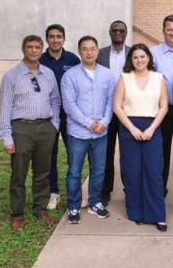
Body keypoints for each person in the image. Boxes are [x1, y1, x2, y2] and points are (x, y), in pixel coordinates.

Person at [0, 35, 60, 230]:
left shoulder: (48, 73)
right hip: (21, 129)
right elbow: (5, 107)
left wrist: (54, 124)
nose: (33, 50)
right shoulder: (11, 76)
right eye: (30, 47)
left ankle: (40, 209)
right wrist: (6, 136)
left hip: (45, 128)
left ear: (42, 49)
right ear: (23, 49)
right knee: (19, 174)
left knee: (43, 172)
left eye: (37, 47)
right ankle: (17, 213)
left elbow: (55, 100)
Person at [61, 36, 116, 224]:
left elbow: (111, 100)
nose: (89, 52)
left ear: (97, 50)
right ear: (79, 51)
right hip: (78, 133)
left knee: (99, 171)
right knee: (75, 171)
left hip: (101, 132)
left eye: (92, 48)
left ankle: (95, 202)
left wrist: (105, 121)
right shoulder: (70, 76)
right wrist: (88, 123)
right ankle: (74, 206)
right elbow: (69, 105)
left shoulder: (107, 74)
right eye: (85, 49)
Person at [113, 44, 169, 231]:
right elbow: (117, 107)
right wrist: (132, 129)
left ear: (149, 58)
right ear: (131, 60)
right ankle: (136, 211)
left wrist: (152, 128)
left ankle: (157, 215)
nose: (139, 60)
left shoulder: (158, 78)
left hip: (152, 128)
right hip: (130, 128)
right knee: (132, 172)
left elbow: (164, 107)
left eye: (142, 57)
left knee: (154, 171)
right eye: (135, 57)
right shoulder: (124, 78)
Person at [40, 24, 80, 210]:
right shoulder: (40, 60)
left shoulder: (72, 59)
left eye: (59, 36)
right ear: (47, 39)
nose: (55, 40)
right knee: (50, 156)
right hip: (48, 117)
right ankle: (53, 192)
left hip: (70, 116)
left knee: (74, 154)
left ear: (64, 38)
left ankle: (74, 193)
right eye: (52, 36)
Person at [151, 15, 173, 196]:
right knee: (161, 152)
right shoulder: (153, 53)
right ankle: (160, 190)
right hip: (163, 110)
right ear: (164, 31)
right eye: (169, 29)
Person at [97, 20, 130, 205]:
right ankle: (105, 190)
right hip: (105, 111)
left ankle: (129, 189)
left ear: (126, 33)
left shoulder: (133, 53)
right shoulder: (100, 54)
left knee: (127, 153)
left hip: (127, 111)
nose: (118, 33)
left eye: (121, 31)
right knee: (106, 153)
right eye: (115, 30)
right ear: (110, 32)